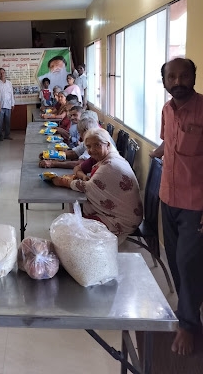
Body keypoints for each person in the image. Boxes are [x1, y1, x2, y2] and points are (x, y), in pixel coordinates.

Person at [150, 57, 203, 356]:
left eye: (184, 76)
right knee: (175, 259)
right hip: (167, 197)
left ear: (194, 77)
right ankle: (188, 306)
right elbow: (169, 144)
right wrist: (154, 154)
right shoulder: (167, 110)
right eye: (172, 77)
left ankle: (188, 326)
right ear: (165, 81)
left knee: (188, 262)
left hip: (195, 203)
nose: (178, 82)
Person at [52, 128, 143, 244]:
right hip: (126, 214)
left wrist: (63, 182)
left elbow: (87, 187)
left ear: (108, 145)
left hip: (122, 219)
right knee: (72, 221)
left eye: (97, 145)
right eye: (88, 147)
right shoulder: (107, 158)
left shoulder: (110, 165)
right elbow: (85, 176)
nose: (92, 150)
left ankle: (85, 254)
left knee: (73, 228)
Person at [0, 67, 15, 141]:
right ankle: (0, 136)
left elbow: (11, 94)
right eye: (0, 73)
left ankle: (7, 135)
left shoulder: (9, 83)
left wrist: (12, 104)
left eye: (3, 73)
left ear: (5, 73)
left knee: (8, 121)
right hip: (0, 105)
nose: (2, 74)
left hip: (8, 105)